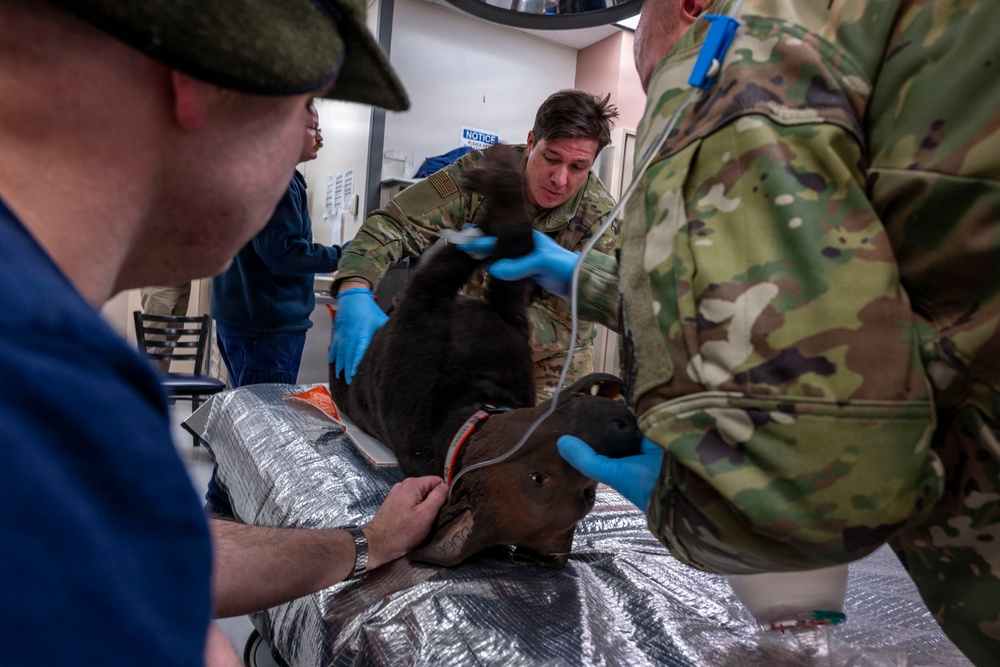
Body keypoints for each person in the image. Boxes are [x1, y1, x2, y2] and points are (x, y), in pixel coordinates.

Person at [460, 1, 1000, 664]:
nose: (563, 178)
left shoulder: (746, 52)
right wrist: (585, 278)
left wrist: (684, 506)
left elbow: (802, 487)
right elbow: (886, 290)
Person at [0, 2, 447, 666]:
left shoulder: (46, 348)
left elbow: (162, 552)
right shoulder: (42, 394)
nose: (303, 140)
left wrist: (367, 542)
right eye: (305, 108)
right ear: (209, 79)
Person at [330, 88, 621, 401]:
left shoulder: (600, 218)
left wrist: (452, 332)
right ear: (531, 142)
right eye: (552, 159)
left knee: (529, 443)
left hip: (547, 372)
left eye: (578, 167)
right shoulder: (486, 175)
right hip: (460, 351)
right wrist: (355, 289)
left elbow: (563, 323)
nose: (560, 179)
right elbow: (395, 223)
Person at [211, 101, 340, 387]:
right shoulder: (278, 179)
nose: (320, 138)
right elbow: (282, 252)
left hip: (246, 322)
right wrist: (343, 256)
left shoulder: (257, 171)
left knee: (250, 417)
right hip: (266, 331)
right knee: (265, 421)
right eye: (314, 129)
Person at [140, 282, 194, 372]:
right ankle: (152, 384)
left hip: (183, 283)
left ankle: (161, 382)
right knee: (155, 344)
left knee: (170, 341)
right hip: (160, 283)